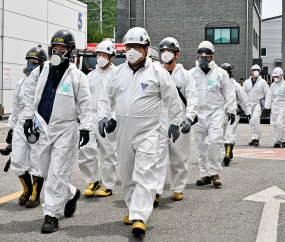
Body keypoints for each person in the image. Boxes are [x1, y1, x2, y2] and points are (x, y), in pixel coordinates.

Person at [97, 27, 183, 236]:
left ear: (146, 49)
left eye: (136, 46)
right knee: (127, 175)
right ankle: (132, 207)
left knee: (145, 172)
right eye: (128, 47)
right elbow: (105, 98)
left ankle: (139, 217)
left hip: (148, 131)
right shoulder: (117, 73)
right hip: (123, 131)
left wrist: (175, 122)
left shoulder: (158, 72)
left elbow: (172, 100)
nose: (131, 51)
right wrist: (104, 116)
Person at [23, 29, 92, 233]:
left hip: (66, 129)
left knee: (57, 172)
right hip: (43, 127)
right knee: (43, 171)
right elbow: (28, 90)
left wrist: (86, 127)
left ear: (71, 51)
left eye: (62, 48)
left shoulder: (77, 76)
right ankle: (71, 194)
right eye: (55, 48)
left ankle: (51, 215)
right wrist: (28, 117)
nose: (58, 51)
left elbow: (86, 104)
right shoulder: (41, 69)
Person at [155, 37, 198, 205]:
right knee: (157, 156)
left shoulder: (185, 75)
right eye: (163, 51)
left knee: (179, 156)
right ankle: (156, 190)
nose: (166, 54)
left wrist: (189, 117)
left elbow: (193, 98)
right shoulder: (156, 73)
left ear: (177, 54)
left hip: (179, 120)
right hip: (159, 120)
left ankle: (178, 188)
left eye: (169, 51)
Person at [189, 41, 236, 187]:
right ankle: (205, 175)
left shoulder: (220, 74)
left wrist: (232, 110)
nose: (203, 60)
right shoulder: (192, 74)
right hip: (198, 114)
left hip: (215, 113)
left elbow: (229, 93)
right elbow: (187, 94)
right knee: (201, 145)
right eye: (201, 56)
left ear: (212, 56)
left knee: (215, 142)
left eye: (207, 57)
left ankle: (214, 173)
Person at [7, 47, 47, 208]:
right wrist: (11, 128)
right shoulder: (21, 83)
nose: (30, 65)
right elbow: (16, 107)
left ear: (42, 65)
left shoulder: (45, 83)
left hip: (38, 125)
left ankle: (36, 195)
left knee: (36, 161)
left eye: (34, 63)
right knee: (17, 160)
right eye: (28, 62)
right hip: (20, 125)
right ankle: (26, 189)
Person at [78, 40, 118, 197]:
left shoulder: (117, 75)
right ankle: (93, 180)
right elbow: (84, 98)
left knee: (108, 152)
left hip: (107, 117)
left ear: (112, 57)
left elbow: (119, 99)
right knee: (85, 149)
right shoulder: (91, 76)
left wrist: (113, 118)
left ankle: (107, 184)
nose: (100, 58)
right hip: (91, 116)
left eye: (104, 55)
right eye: (98, 54)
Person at [221, 63, 251, 166]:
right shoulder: (218, 84)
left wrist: (248, 111)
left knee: (229, 133)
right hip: (220, 114)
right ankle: (229, 151)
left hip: (233, 114)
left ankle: (228, 154)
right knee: (222, 135)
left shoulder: (236, 86)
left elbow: (243, 99)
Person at [243, 64, 269, 146]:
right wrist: (243, 105)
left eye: (257, 70)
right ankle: (254, 138)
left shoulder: (263, 82)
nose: (256, 72)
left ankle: (256, 138)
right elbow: (242, 94)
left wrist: (267, 105)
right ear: (251, 72)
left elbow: (267, 93)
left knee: (255, 119)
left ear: (260, 72)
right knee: (251, 121)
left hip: (258, 103)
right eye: (254, 70)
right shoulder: (247, 82)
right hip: (249, 104)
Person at [265, 67, 285, 148]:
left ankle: (284, 140)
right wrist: (267, 106)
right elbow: (269, 96)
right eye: (274, 76)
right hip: (274, 107)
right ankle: (277, 141)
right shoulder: (272, 85)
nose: (275, 78)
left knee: (279, 123)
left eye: (277, 76)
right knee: (273, 124)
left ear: (280, 76)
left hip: (282, 106)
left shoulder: (284, 85)